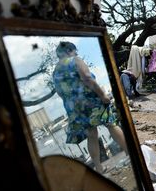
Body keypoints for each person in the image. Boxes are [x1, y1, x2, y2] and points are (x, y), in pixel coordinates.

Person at [52, 41, 128, 173]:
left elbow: (60, 93)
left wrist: (74, 104)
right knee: (110, 124)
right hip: (92, 100)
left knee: (91, 135)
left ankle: (99, 167)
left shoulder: (56, 72)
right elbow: (87, 77)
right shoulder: (74, 60)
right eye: (75, 51)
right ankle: (129, 153)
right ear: (70, 51)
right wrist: (103, 95)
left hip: (76, 108)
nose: (76, 53)